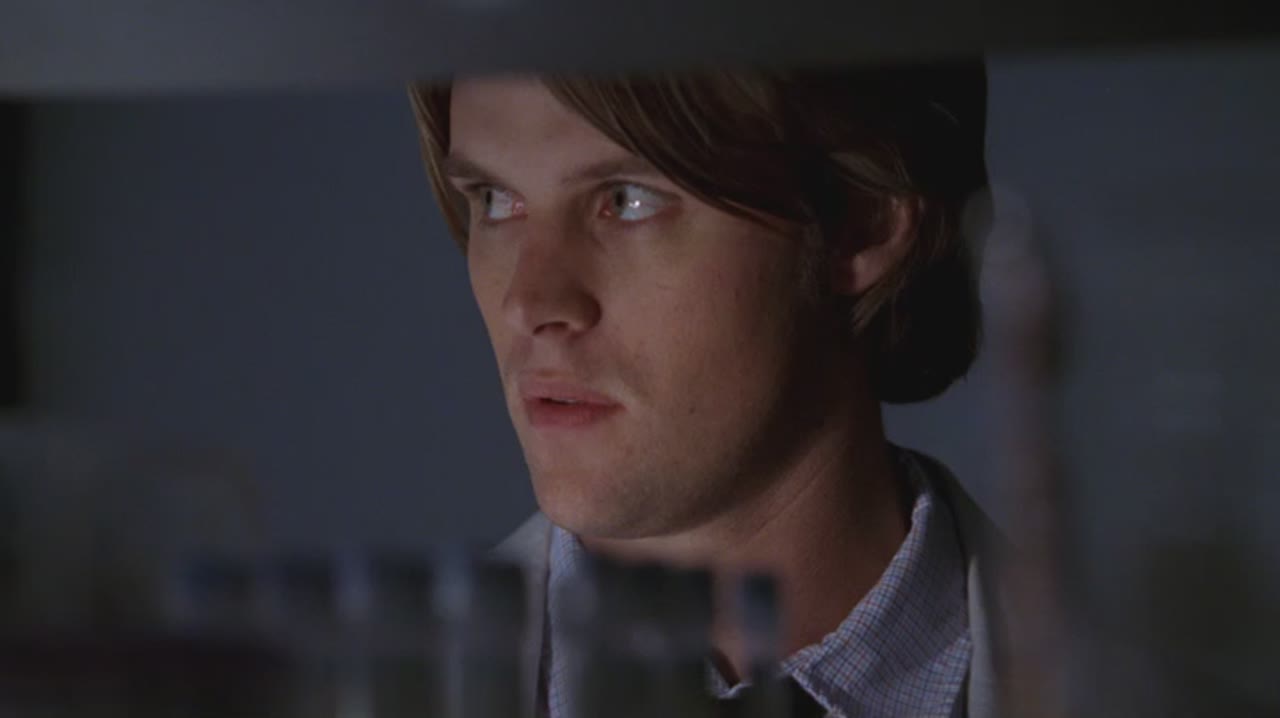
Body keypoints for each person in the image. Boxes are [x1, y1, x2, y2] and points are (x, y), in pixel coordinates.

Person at [408, 61, 1009, 717]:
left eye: (628, 200)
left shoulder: (1094, 675)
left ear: (861, 219)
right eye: (496, 201)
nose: (529, 302)